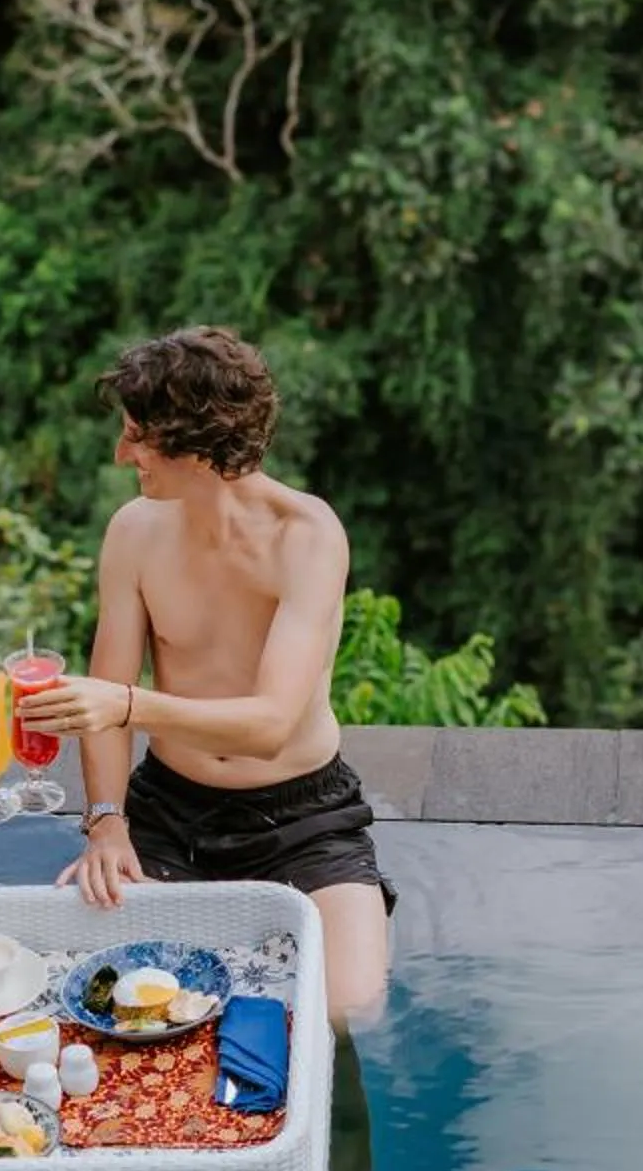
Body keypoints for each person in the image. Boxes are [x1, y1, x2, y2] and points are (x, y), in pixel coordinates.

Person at [20, 327, 394, 1030]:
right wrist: (105, 822)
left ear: (193, 439)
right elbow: (103, 700)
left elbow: (270, 724)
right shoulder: (134, 531)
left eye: (136, 436)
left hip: (305, 818)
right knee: (117, 1004)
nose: (121, 454)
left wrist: (126, 705)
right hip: (169, 813)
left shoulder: (307, 535)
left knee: (350, 1010)